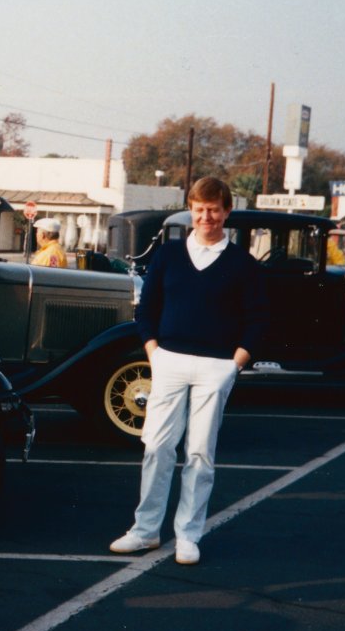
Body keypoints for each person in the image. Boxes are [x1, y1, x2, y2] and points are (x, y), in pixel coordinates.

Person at [108, 177, 267, 565]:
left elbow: (258, 321)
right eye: (199, 209)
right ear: (190, 211)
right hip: (169, 362)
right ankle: (145, 531)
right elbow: (147, 310)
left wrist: (233, 367)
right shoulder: (169, 255)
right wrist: (154, 353)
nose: (206, 217)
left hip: (216, 367)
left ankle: (188, 535)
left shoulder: (243, 265)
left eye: (214, 209)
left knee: (199, 453)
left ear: (226, 212)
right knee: (158, 448)